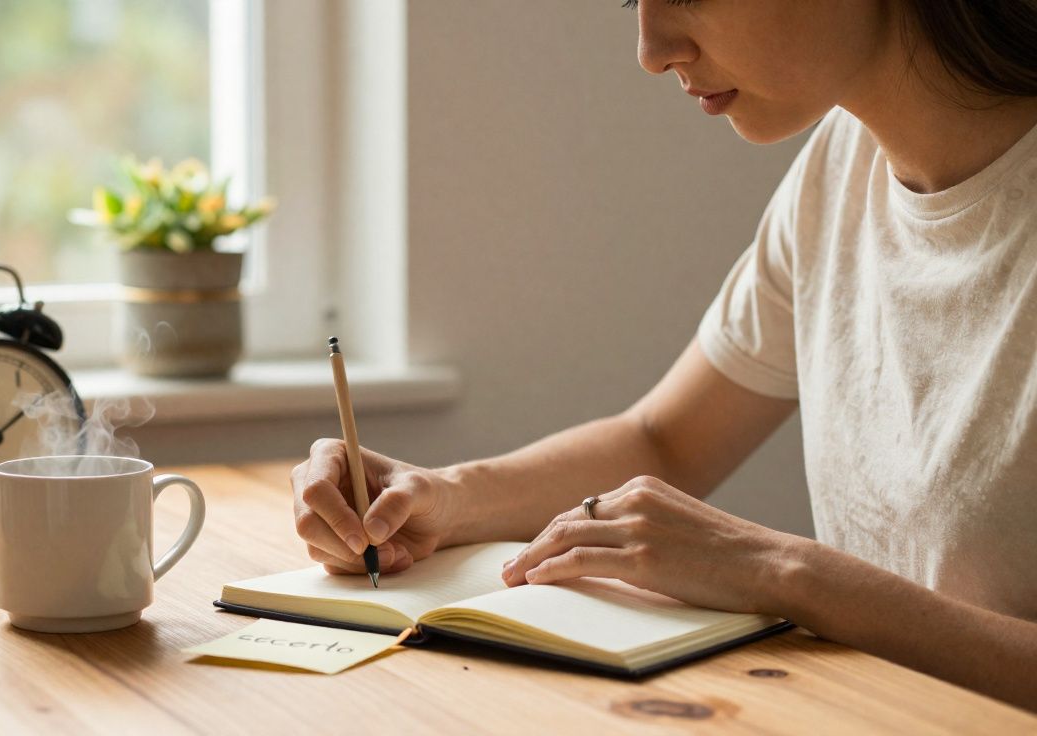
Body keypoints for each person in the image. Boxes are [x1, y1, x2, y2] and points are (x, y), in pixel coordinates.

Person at [291, 0, 1037, 711]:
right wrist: (443, 498)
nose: (651, 53)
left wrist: (786, 574)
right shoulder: (842, 166)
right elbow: (667, 438)